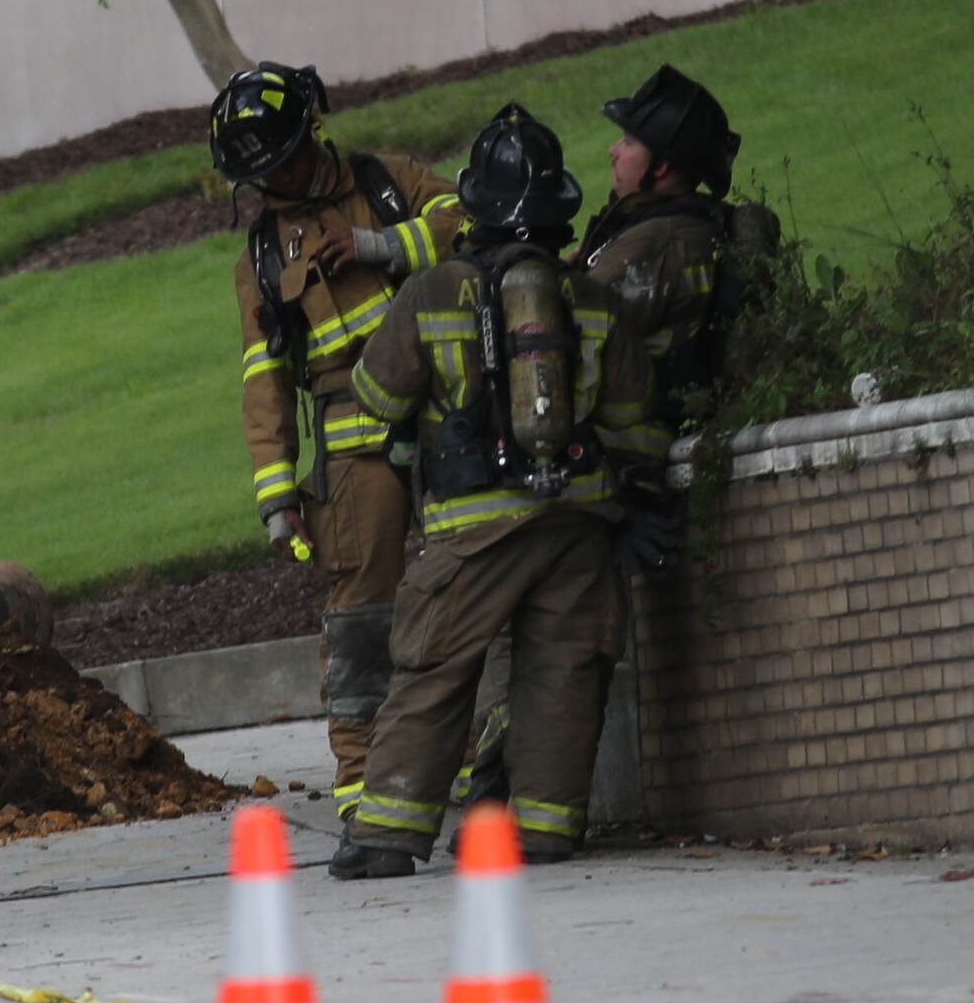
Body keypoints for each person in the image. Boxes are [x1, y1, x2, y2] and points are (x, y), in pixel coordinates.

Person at [331, 103, 643, 879]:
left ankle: (385, 838)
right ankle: (538, 831)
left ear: (472, 208)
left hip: (474, 531)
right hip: (580, 524)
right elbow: (638, 428)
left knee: (434, 668)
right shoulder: (595, 303)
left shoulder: (434, 292)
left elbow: (375, 395)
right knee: (563, 674)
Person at [210, 62, 461, 799]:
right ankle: (361, 780)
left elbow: (477, 218)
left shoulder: (389, 182)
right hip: (353, 447)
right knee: (359, 616)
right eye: (259, 176)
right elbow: (265, 378)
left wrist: (379, 245)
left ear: (311, 134)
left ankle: (477, 758)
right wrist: (277, 493)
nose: (275, 182)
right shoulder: (260, 259)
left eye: (283, 159)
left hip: (446, 408)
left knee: (468, 583)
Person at [581, 65, 744, 573]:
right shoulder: (654, 229)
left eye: (628, 141)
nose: (613, 151)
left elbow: (571, 332)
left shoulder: (657, 243)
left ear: (663, 167)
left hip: (620, 465)